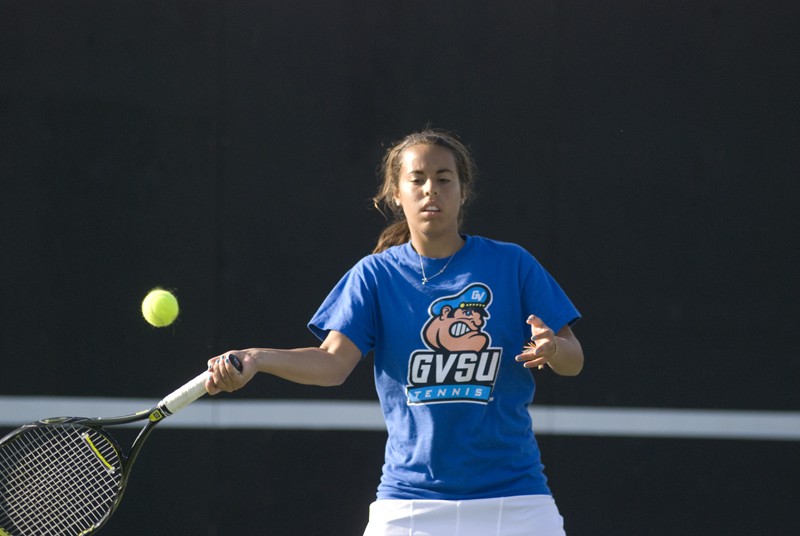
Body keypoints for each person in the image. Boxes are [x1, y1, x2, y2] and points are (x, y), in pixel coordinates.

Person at [206, 129, 584, 536]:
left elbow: (574, 359)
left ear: (463, 191)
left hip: (516, 502)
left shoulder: (513, 264)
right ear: (395, 193)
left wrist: (554, 349)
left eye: (443, 179)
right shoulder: (374, 275)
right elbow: (333, 363)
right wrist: (258, 359)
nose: (430, 190)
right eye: (417, 179)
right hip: (410, 504)